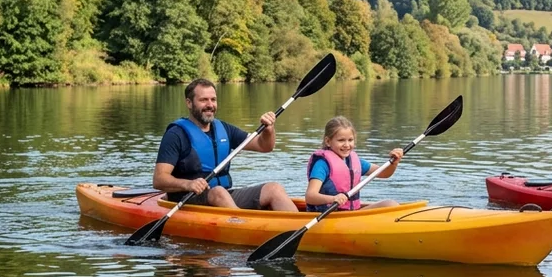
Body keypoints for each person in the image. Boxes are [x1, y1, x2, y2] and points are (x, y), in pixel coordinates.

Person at [152, 78, 298, 211]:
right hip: (187, 199)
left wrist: (268, 130)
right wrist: (188, 184)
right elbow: (159, 180)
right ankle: (245, 226)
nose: (210, 105)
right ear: (189, 103)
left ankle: (299, 228)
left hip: (223, 196)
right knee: (219, 192)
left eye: (213, 100)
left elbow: (264, 146)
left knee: (274, 189)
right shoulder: (176, 135)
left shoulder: (224, 129)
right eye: (203, 100)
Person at [305, 116, 404, 212]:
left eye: (350, 140)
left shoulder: (353, 162)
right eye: (341, 140)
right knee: (390, 205)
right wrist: (333, 198)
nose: (347, 145)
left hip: (350, 212)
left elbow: (384, 173)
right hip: (328, 215)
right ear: (328, 141)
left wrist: (394, 163)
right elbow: (310, 196)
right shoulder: (322, 165)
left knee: (390, 204)